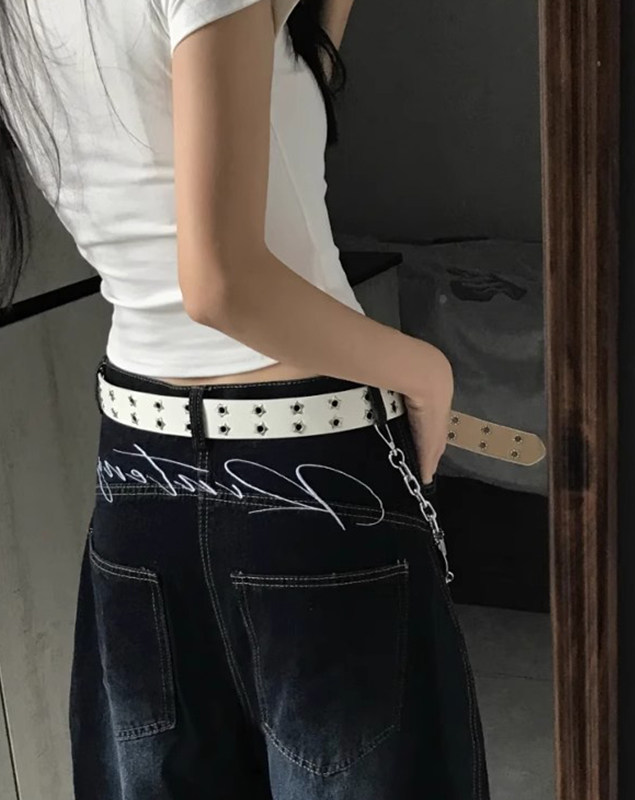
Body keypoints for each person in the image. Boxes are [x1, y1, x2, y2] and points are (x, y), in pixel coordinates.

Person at [0, 0, 491, 796]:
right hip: (310, 469)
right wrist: (424, 371)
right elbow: (222, 285)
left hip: (138, 474)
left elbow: (269, 122)